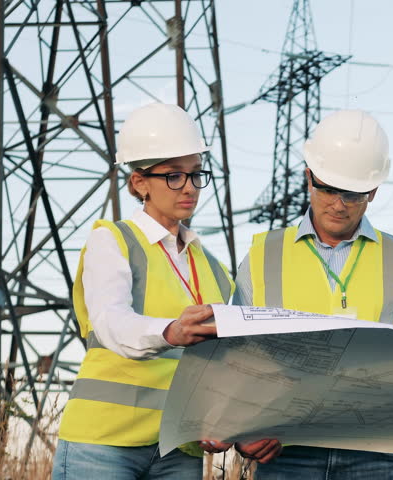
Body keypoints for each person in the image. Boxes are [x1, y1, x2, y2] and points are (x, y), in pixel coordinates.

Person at [52, 103, 280, 479]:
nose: (189, 186)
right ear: (139, 182)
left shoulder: (214, 269)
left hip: (178, 448)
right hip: (104, 442)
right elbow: (110, 320)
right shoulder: (113, 241)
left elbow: (227, 364)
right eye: (174, 176)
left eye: (195, 174)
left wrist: (233, 425)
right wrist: (169, 331)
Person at [233, 109, 393, 480]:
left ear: (373, 191)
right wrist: (240, 432)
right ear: (308, 178)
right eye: (327, 188)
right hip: (284, 450)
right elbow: (233, 357)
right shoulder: (263, 256)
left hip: (376, 450)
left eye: (352, 193)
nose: (338, 203)